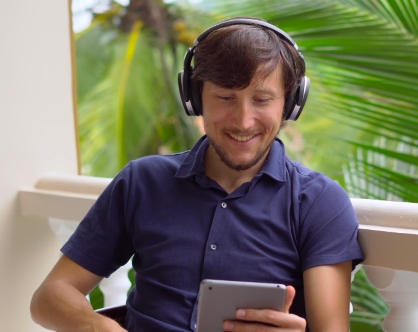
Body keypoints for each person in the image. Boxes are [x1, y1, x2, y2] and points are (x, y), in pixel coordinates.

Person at [30, 17, 364, 332]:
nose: (243, 120)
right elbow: (49, 296)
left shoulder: (319, 202)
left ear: (290, 103)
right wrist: (97, 326)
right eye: (224, 98)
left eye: (262, 99)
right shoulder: (142, 182)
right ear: (195, 99)